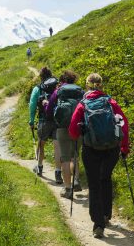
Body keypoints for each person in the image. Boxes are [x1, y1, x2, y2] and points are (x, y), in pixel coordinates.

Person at [69, 73, 129, 239]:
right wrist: (124, 148)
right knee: (106, 178)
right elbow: (124, 124)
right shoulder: (111, 102)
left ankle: (98, 225)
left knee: (94, 184)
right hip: (111, 149)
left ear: (87, 85)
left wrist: (81, 131)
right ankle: (106, 215)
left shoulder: (83, 105)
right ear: (101, 85)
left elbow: (72, 131)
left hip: (91, 150)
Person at [45, 70, 83, 199]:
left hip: (62, 128)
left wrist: (49, 112)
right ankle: (76, 180)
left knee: (65, 158)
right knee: (75, 156)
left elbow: (49, 109)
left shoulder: (58, 91)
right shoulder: (80, 91)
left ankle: (68, 189)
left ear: (62, 80)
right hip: (78, 127)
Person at [29, 67, 62, 182]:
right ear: (51, 74)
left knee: (41, 144)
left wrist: (31, 120)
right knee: (57, 146)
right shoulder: (57, 86)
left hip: (44, 120)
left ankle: (39, 167)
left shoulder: (38, 88)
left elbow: (32, 105)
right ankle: (58, 172)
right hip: (57, 120)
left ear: (41, 76)